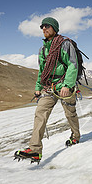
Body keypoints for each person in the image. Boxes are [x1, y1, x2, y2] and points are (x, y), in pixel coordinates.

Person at [16, 17, 80, 162]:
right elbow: (42, 71)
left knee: (70, 114)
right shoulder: (43, 49)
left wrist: (68, 85)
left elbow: (72, 65)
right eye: (42, 27)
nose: (44, 28)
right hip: (49, 87)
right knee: (40, 113)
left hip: (64, 85)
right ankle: (35, 150)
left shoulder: (65, 44)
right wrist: (38, 88)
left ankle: (75, 136)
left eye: (47, 26)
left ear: (55, 28)